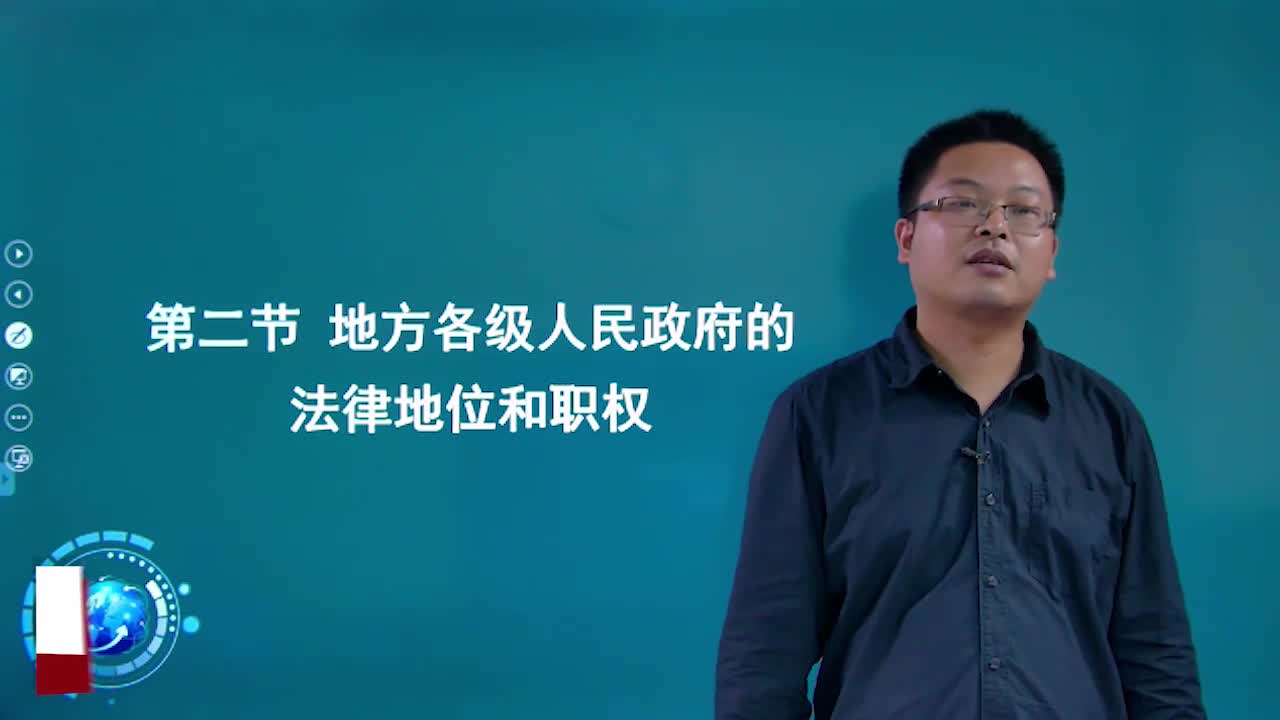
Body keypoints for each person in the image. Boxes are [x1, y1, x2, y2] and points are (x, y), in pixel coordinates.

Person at [714, 109, 1205, 719]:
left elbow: (1155, 649)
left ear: (1052, 251)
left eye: (1023, 211)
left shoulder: (1108, 422)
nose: (994, 226)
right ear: (906, 239)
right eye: (963, 204)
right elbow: (764, 653)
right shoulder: (818, 415)